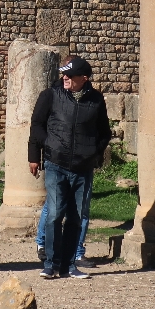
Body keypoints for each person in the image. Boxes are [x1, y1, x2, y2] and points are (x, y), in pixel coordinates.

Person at [28, 56, 111, 279]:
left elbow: (104, 132)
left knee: (76, 217)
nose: (64, 78)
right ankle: (50, 263)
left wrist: (94, 153)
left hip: (83, 167)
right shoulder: (51, 96)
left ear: (83, 78)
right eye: (63, 74)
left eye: (69, 75)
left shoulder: (96, 100)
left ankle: (70, 264)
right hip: (56, 164)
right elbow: (36, 125)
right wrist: (42, 149)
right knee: (55, 214)